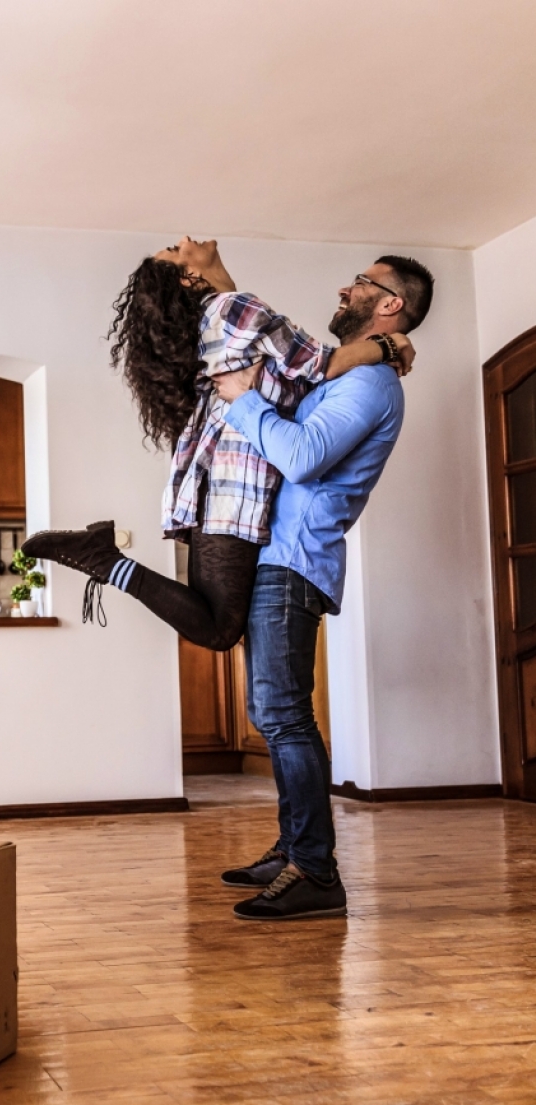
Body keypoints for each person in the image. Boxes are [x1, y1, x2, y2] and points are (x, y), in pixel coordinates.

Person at [22, 238, 414, 648]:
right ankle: (103, 558)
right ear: (190, 276)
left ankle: (103, 557)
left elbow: (312, 367)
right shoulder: (235, 308)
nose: (187, 239)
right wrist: (392, 343)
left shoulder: (223, 317)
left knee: (219, 623)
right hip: (236, 482)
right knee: (220, 629)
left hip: (217, 479)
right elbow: (323, 364)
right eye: (175, 249)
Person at [216, 254, 435, 920]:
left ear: (391, 303)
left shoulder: (371, 385)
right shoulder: (354, 369)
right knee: (273, 712)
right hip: (277, 557)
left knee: (283, 714)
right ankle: (291, 850)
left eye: (363, 282)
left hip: (294, 562)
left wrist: (242, 402)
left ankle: (315, 871)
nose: (347, 287)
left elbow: (303, 457)